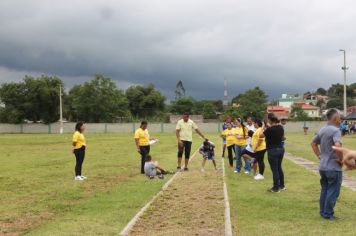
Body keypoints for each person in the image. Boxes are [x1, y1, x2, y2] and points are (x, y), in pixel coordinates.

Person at [311, 108, 343, 220]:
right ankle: (328, 213)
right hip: (333, 167)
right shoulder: (336, 130)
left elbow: (313, 143)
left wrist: (320, 156)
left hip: (323, 167)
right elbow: (338, 146)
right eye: (339, 117)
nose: (341, 119)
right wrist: (341, 160)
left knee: (325, 189)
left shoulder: (322, 129)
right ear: (335, 118)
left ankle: (323, 211)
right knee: (333, 191)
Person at [260, 113, 285, 193]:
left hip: (272, 150)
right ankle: (282, 185)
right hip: (281, 149)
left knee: (274, 170)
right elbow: (283, 137)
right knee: (279, 167)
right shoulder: (280, 127)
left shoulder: (269, 130)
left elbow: (261, 135)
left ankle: (275, 188)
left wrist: (263, 127)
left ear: (270, 120)